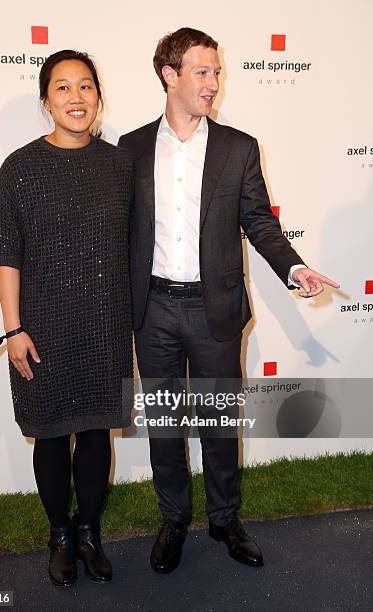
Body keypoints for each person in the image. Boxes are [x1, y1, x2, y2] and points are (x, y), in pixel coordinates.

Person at [118, 27, 340, 573]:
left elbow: (259, 222)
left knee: (218, 423)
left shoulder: (239, 147)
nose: (214, 82)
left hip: (213, 309)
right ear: (170, 76)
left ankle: (224, 519)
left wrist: (293, 267)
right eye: (202, 71)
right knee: (166, 425)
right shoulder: (131, 148)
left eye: (216, 71)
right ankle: (173, 520)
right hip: (152, 310)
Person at [0, 49, 133, 587]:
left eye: (86, 87)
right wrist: (13, 329)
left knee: (97, 436)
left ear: (98, 96)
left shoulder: (119, 165)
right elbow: (7, 254)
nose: (77, 98)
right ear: (46, 99)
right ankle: (59, 536)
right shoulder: (19, 170)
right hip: (42, 329)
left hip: (104, 326)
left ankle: (90, 532)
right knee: (51, 437)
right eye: (63, 88)